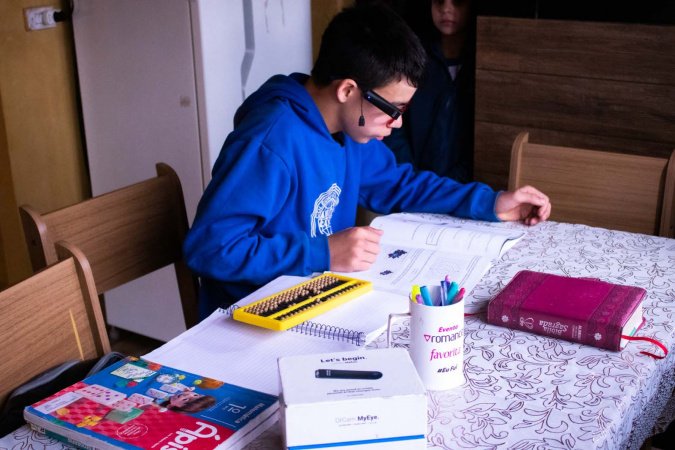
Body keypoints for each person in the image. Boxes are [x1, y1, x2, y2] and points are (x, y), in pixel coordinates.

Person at [183, 3, 551, 318]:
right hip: (248, 318)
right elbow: (210, 248)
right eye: (393, 109)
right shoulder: (270, 141)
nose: (398, 123)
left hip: (316, 300)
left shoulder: (348, 131)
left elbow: (399, 184)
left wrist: (489, 202)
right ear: (347, 90)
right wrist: (322, 252)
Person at [384, 0, 476, 182]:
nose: (446, 9)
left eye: (458, 2)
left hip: (465, 183)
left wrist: (455, 183)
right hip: (411, 180)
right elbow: (393, 119)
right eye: (439, 1)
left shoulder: (483, 61)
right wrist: (411, 175)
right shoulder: (412, 55)